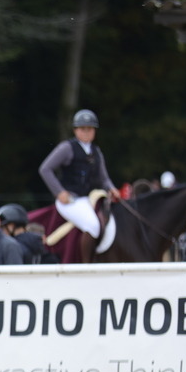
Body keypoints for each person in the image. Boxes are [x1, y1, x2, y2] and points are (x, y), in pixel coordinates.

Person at [38, 109, 119, 262]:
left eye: (90, 129)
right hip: (70, 200)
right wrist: (59, 192)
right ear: (76, 130)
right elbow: (45, 169)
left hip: (89, 199)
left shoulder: (96, 151)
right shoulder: (67, 148)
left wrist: (112, 189)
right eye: (83, 129)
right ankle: (86, 263)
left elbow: (103, 178)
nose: (87, 132)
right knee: (93, 226)